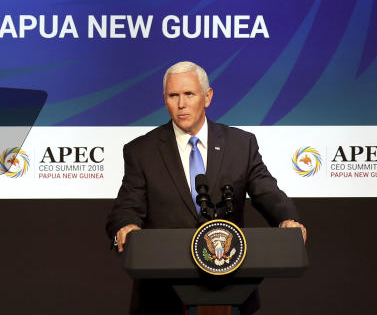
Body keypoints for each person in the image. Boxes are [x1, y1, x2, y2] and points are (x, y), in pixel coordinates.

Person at [106, 61, 306, 315]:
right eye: (173, 95)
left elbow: (267, 191)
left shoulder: (240, 144)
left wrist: (287, 219)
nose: (181, 104)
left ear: (207, 97)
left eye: (189, 94)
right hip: (162, 295)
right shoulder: (141, 151)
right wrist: (126, 226)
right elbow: (126, 206)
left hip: (229, 286)